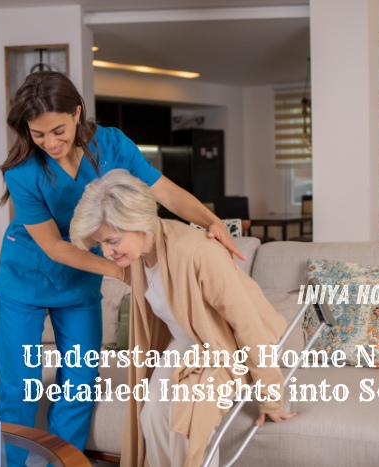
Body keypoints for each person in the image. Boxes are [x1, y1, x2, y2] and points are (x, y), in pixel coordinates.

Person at [0, 71, 243, 456]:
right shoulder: (23, 171)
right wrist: (123, 271)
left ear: (77, 112)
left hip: (79, 281)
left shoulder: (110, 145)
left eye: (58, 130)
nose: (50, 143)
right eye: (38, 135)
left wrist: (211, 221)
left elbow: (165, 192)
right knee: (18, 386)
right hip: (25, 275)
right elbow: (55, 248)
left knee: (79, 382)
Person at [70, 169, 296, 467]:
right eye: (101, 243)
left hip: (225, 345)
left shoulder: (197, 252)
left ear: (140, 224)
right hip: (188, 340)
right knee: (151, 415)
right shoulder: (139, 257)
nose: (106, 251)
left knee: (186, 420)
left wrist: (271, 394)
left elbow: (248, 324)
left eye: (112, 241)